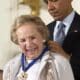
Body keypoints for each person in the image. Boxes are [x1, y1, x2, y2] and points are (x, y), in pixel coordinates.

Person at [3, 15, 74, 80]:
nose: (29, 44)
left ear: (43, 35)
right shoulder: (9, 67)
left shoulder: (59, 63)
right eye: (23, 40)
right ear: (17, 41)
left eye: (33, 38)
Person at [44, 0, 80, 80]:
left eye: (54, 0)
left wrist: (66, 57)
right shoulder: (44, 30)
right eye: (47, 2)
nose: (50, 7)